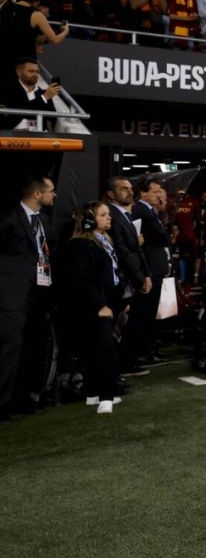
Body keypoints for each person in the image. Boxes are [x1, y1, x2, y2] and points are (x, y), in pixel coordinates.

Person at [59, 203, 123, 414]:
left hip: (109, 301)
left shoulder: (105, 240)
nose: (109, 218)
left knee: (99, 348)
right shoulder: (80, 244)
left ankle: (93, 393)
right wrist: (100, 305)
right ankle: (106, 396)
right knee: (103, 349)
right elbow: (82, 279)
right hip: (94, 305)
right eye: (103, 215)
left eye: (109, 214)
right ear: (89, 219)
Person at [0, 178, 55, 421]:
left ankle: (24, 397)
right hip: (11, 296)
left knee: (33, 346)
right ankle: (3, 403)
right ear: (36, 194)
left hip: (39, 294)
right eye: (51, 191)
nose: (55, 196)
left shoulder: (44, 220)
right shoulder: (8, 219)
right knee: (10, 349)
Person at [105, 176, 151, 376]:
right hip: (121, 281)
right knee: (118, 325)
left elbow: (137, 250)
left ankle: (123, 364)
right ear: (111, 194)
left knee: (127, 324)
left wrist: (145, 275)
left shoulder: (125, 215)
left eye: (130, 188)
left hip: (133, 278)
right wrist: (140, 277)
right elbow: (124, 252)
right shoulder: (113, 216)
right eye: (123, 189)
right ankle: (117, 367)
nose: (129, 192)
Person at [133, 179, 171, 365]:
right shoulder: (141, 210)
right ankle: (142, 351)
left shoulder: (150, 211)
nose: (159, 195)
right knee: (145, 312)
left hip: (156, 267)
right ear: (143, 193)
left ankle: (149, 349)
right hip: (149, 268)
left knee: (152, 312)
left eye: (160, 191)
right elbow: (162, 237)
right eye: (155, 191)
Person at [0, 0, 69, 75]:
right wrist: (65, 31)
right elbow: (55, 40)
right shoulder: (36, 15)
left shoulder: (4, 6)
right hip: (24, 62)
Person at [5, 58, 64, 131]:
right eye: (31, 71)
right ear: (19, 72)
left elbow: (52, 118)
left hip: (39, 136)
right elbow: (14, 114)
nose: (35, 74)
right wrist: (44, 98)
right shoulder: (7, 90)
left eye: (37, 72)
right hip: (12, 136)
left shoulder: (43, 92)